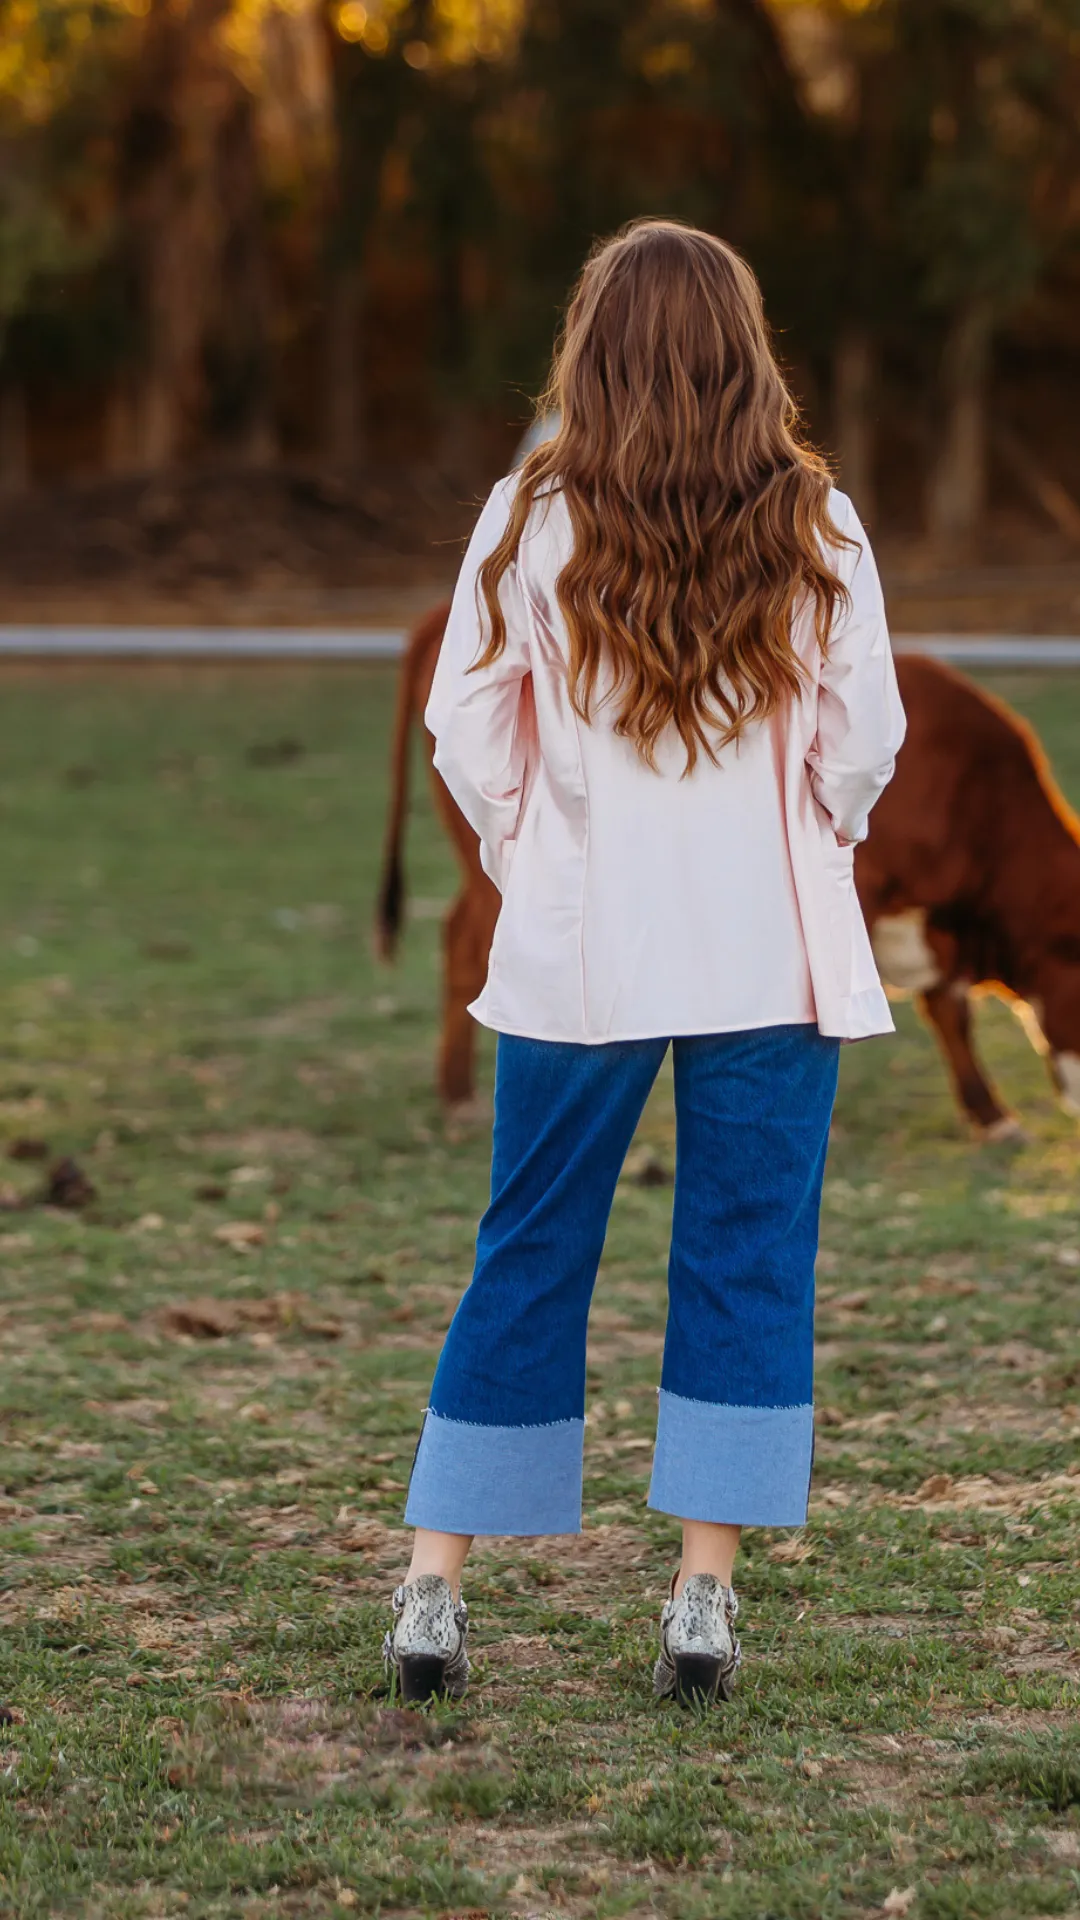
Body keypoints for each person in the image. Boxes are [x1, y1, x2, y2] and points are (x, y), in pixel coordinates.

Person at [382, 218, 905, 1709]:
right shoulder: (822, 519)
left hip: (576, 958)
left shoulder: (526, 512)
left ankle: (432, 1592)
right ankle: (700, 1599)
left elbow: (466, 731)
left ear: (590, 347)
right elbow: (863, 746)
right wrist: (814, 827)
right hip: (768, 960)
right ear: (746, 349)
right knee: (745, 1263)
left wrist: (534, 855)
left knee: (525, 1252)